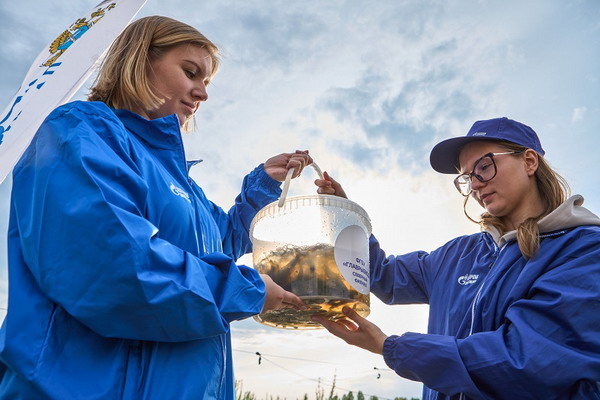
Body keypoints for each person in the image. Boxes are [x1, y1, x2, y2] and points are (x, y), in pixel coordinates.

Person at [0, 16, 312, 400]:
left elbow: (225, 241)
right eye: (191, 72)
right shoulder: (80, 130)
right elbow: (111, 264)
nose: (202, 94)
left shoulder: (187, 188)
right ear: (139, 60)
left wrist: (263, 183)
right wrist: (244, 289)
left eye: (207, 83)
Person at [313, 117, 600, 399]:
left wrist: (390, 347)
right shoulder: (457, 255)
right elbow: (383, 276)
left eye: (484, 167)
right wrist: (344, 216)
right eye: (466, 177)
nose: (475, 185)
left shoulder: (583, 251)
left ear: (529, 161)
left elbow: (525, 359)